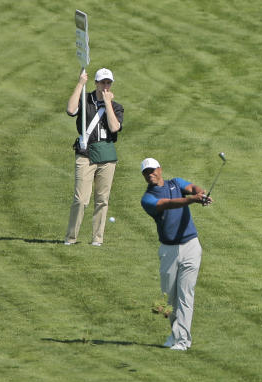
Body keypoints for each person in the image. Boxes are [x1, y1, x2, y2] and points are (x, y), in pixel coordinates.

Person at [139, 157, 212, 351]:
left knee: (185, 295)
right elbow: (167, 204)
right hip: (168, 250)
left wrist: (200, 194)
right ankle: (175, 334)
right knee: (169, 299)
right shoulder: (147, 199)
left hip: (191, 246)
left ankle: (182, 341)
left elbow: (193, 187)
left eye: (153, 170)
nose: (150, 174)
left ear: (160, 169)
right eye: (146, 172)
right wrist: (191, 201)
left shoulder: (175, 183)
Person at [64, 68, 123, 247]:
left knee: (102, 199)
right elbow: (70, 109)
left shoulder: (117, 107)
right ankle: (71, 237)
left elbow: (114, 128)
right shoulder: (85, 100)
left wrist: (108, 104)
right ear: (96, 83)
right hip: (86, 154)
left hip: (107, 155)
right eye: (102, 82)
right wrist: (80, 83)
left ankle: (97, 238)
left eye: (108, 83)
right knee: (81, 199)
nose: (106, 86)